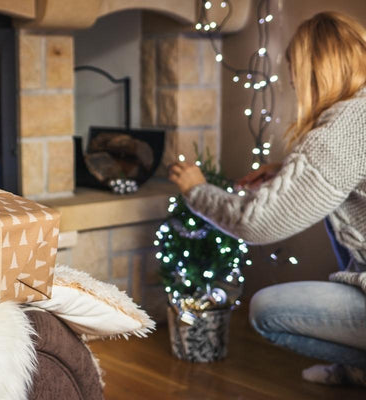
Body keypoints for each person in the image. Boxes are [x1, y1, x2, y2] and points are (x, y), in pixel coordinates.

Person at [168, 12, 366, 386]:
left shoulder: (339, 132)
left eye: (294, 76)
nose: (292, 84)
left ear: (313, 72)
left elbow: (255, 222)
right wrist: (286, 170)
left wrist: (196, 190)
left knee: (265, 310)